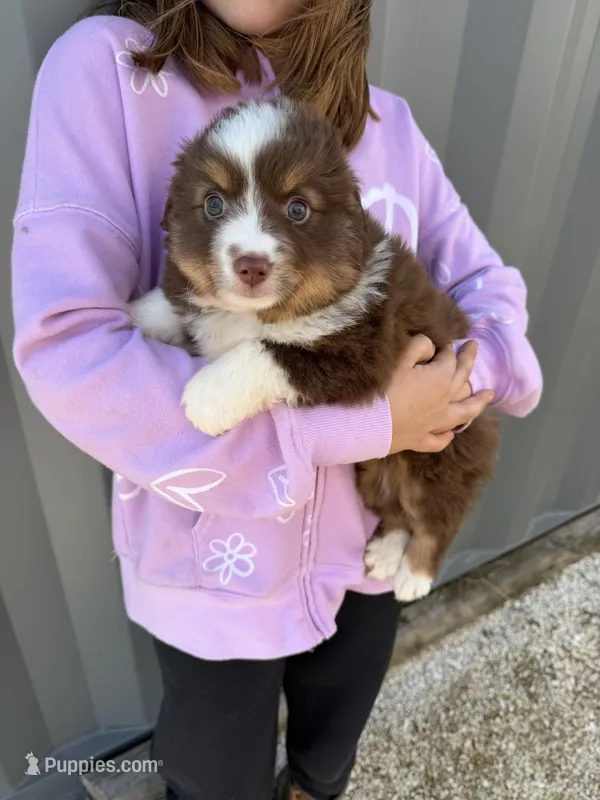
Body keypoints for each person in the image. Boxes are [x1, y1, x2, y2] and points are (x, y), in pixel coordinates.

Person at [11, 1, 542, 798]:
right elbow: (72, 352)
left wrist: (468, 378)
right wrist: (369, 422)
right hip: (209, 571)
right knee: (210, 770)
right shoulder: (110, 73)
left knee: (333, 741)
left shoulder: (385, 123)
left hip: (359, 555)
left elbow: (484, 284)